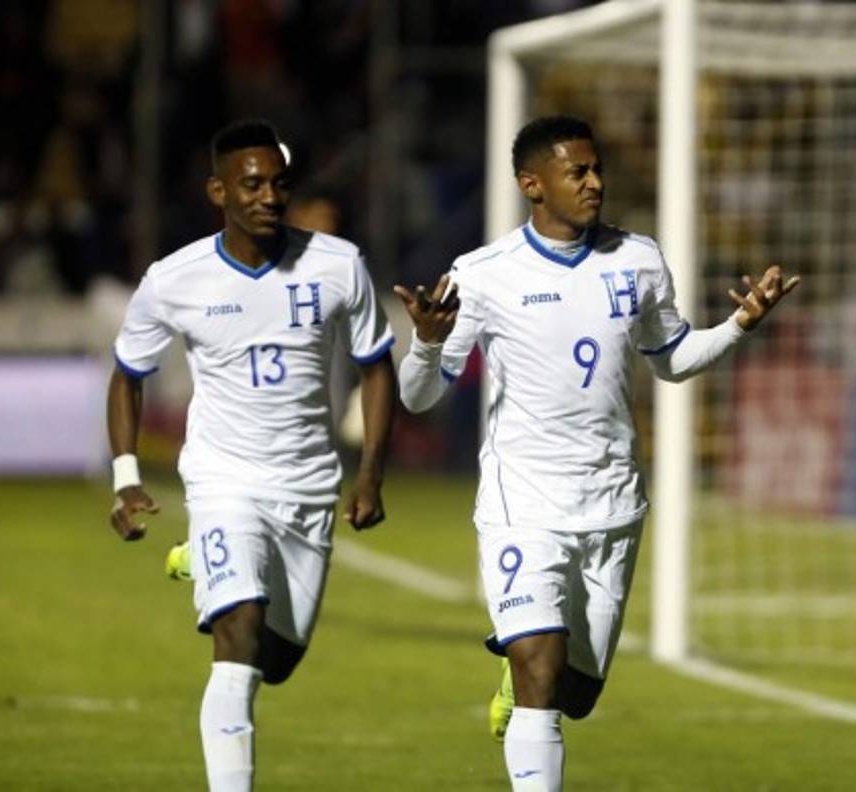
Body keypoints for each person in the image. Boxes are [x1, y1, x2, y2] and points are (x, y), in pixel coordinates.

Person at [395, 115, 798, 792]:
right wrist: (429, 345)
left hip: (611, 505)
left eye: (597, 169)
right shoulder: (484, 274)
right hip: (523, 502)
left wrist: (737, 326)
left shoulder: (637, 259)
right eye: (577, 171)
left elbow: (671, 359)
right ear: (533, 184)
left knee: (573, 694)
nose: (595, 182)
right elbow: (418, 398)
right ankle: (522, 668)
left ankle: (524, 672)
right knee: (538, 667)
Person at [106, 119, 395, 792]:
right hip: (223, 480)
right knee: (237, 634)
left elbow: (376, 366)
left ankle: (198, 560)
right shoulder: (175, 278)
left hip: (307, 489)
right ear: (218, 191)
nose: (269, 196)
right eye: (252, 183)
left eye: (279, 184)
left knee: (278, 659)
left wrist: (371, 475)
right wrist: (126, 478)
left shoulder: (337, 264)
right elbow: (128, 372)